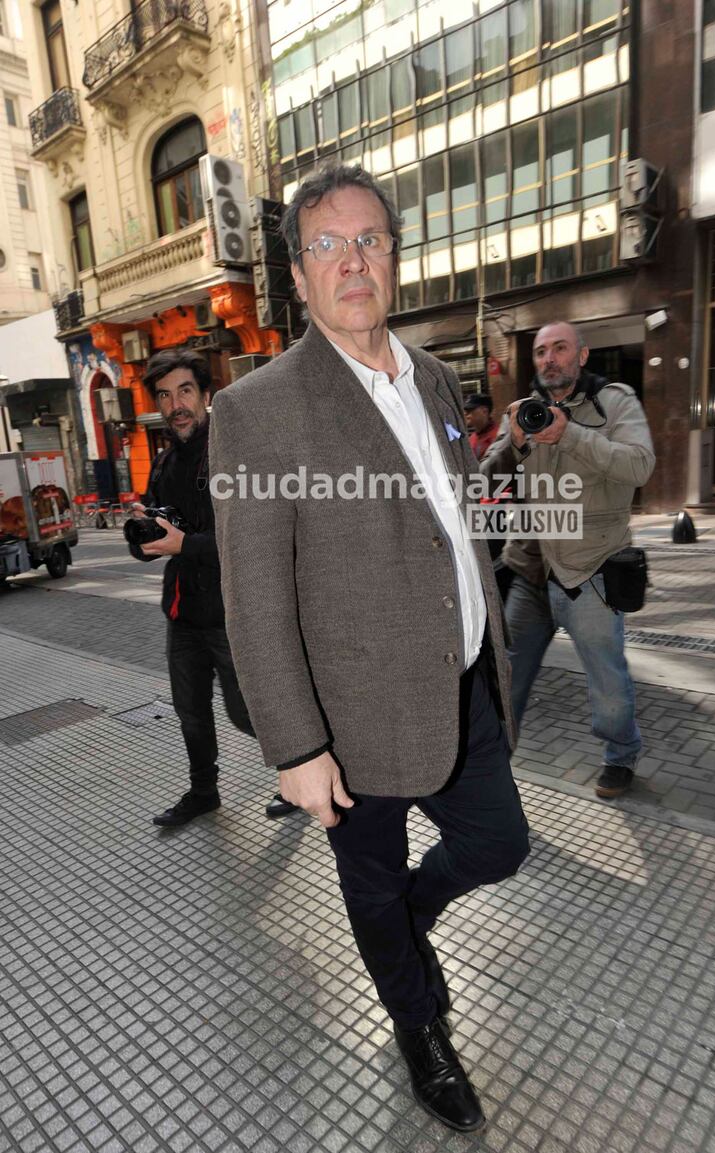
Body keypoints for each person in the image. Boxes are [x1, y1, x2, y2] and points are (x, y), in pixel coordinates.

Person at [209, 164, 529, 1132]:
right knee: (371, 883)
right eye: (327, 245)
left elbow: (449, 523)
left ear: (394, 257)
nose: (353, 261)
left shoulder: (435, 376)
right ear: (298, 280)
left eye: (371, 241)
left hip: (460, 682)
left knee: (497, 843)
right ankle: (419, 1026)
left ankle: (403, 929)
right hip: (346, 723)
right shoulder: (257, 408)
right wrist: (294, 746)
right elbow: (252, 594)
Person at [481, 321, 655, 799]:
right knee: (507, 681)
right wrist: (514, 442)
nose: (548, 359)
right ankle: (494, 770)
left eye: (560, 349)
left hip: (592, 571)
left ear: (581, 355)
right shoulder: (522, 412)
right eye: (540, 352)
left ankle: (620, 755)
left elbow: (640, 464)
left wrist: (571, 434)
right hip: (529, 570)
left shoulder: (614, 402)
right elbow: (484, 481)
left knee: (607, 682)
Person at [133, 348, 297, 827]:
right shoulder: (162, 464)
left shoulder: (233, 454)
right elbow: (159, 540)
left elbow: (249, 537)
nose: (175, 404)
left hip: (233, 613)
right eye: (164, 395)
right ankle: (203, 792)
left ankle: (300, 772)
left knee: (247, 712)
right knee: (190, 712)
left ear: (206, 396)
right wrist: (143, 537)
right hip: (182, 614)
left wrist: (184, 546)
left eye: (185, 391)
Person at [463, 393, 499, 461]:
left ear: (484, 411)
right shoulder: (472, 439)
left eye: (470, 409)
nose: (466, 413)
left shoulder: (497, 437)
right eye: (466, 410)